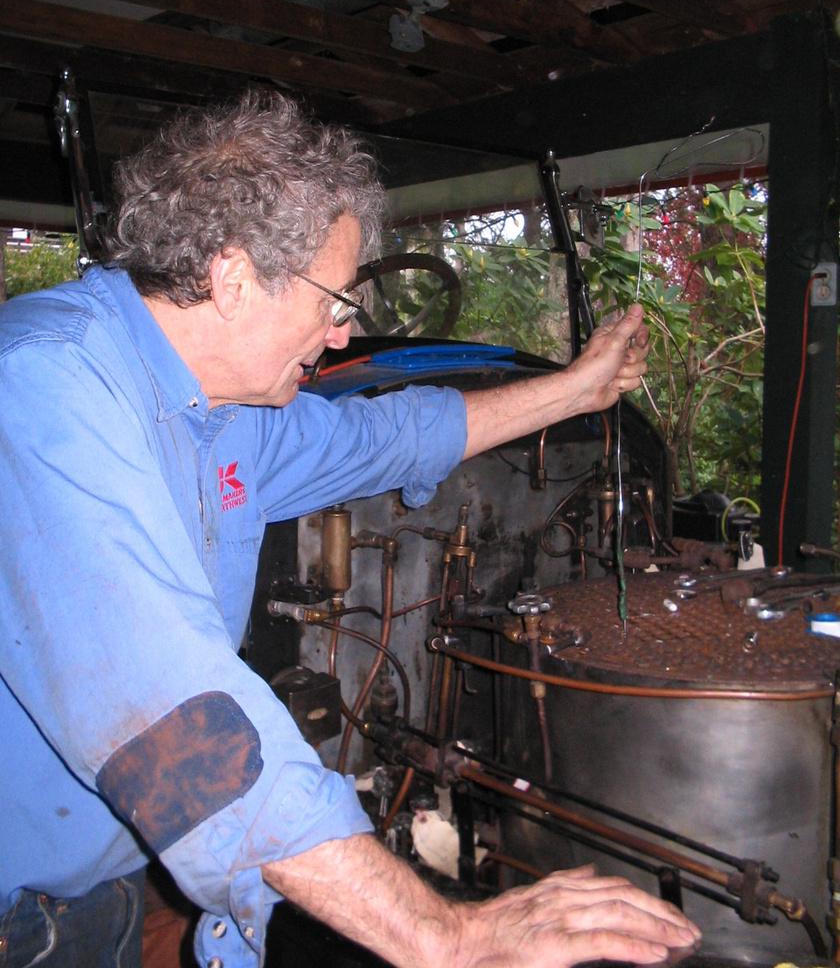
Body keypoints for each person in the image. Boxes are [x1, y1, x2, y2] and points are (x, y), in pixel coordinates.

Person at [0, 90, 698, 968]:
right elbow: (172, 720)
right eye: (335, 300)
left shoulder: (223, 413)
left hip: (90, 897)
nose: (344, 333)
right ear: (232, 278)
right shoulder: (39, 389)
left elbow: (388, 435)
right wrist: (445, 934)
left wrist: (577, 390)